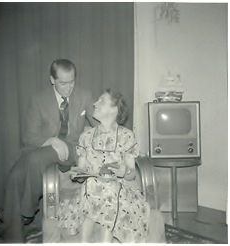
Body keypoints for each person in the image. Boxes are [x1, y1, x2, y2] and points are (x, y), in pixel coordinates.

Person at [3, 59, 96, 242]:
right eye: (63, 83)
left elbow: (99, 123)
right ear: (52, 80)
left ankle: (27, 211)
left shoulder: (84, 95)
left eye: (72, 82)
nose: (69, 88)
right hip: (46, 149)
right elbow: (29, 137)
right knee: (15, 175)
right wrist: (52, 140)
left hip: (73, 149)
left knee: (34, 160)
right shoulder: (38, 100)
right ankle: (12, 235)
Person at [55, 89, 165, 243]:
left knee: (109, 190)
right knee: (92, 183)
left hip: (120, 193)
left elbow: (131, 174)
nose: (94, 104)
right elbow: (80, 173)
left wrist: (123, 171)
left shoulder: (126, 136)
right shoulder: (86, 137)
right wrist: (78, 175)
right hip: (90, 192)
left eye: (101, 101)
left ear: (114, 109)